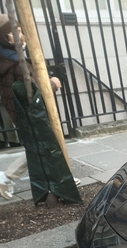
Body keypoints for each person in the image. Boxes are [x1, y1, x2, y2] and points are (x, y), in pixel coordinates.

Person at [0, 14, 79, 201]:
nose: (21, 36)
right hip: (31, 112)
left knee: (39, 145)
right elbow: (34, 92)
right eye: (15, 32)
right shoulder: (17, 64)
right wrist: (52, 84)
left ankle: (60, 178)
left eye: (21, 31)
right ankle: (7, 177)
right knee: (44, 144)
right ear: (5, 37)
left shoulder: (8, 60)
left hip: (20, 111)